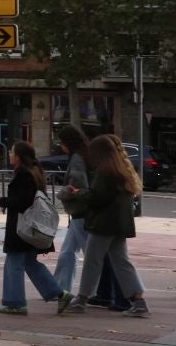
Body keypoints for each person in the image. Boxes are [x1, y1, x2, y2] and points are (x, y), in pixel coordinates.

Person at [62, 133, 149, 318]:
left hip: (104, 224)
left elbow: (96, 197)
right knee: (121, 262)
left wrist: (77, 193)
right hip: (119, 224)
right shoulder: (122, 171)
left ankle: (81, 299)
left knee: (92, 261)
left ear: (100, 153)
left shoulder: (105, 173)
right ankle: (138, 300)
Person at [0, 141, 62, 314]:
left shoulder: (24, 174)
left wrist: (3, 201)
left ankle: (15, 302)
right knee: (29, 263)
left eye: (11, 152)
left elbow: (23, 202)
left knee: (13, 263)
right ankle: (58, 293)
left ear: (18, 156)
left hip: (22, 228)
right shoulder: (34, 172)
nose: (9, 155)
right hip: (32, 227)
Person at [49, 124, 92, 309]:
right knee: (68, 251)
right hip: (81, 213)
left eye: (62, 142)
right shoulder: (85, 154)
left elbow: (78, 184)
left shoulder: (76, 158)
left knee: (89, 255)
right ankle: (59, 289)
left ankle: (88, 292)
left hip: (80, 212)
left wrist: (63, 193)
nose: (60, 145)